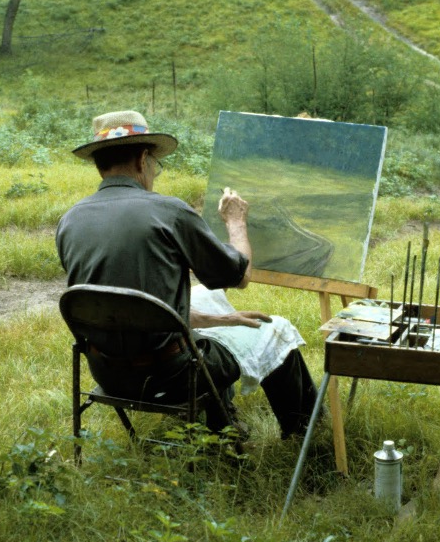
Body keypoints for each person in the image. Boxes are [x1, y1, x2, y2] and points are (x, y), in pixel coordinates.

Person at [56, 110, 317, 438]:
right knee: (277, 330)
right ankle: (305, 432)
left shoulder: (69, 220)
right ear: (142, 159)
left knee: (206, 298)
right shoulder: (169, 212)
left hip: (108, 374)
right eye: (155, 163)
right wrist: (236, 222)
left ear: (99, 165)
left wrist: (223, 320)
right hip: (173, 375)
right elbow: (240, 276)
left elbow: (130, 307)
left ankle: (224, 425)